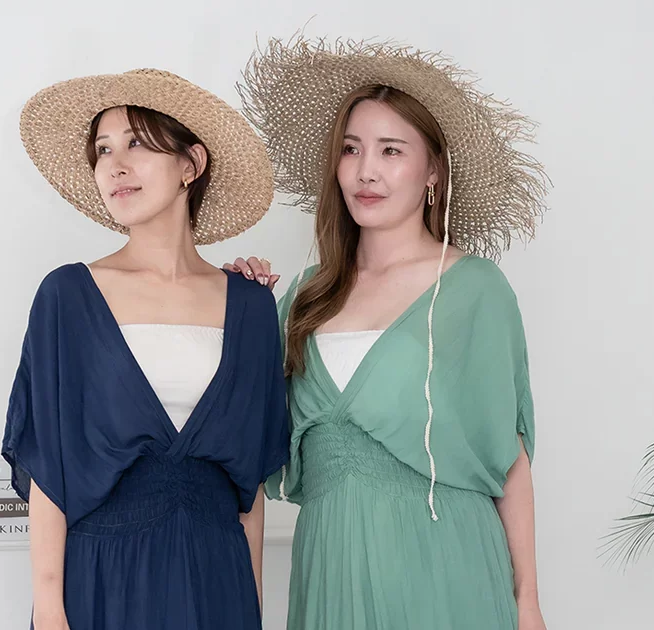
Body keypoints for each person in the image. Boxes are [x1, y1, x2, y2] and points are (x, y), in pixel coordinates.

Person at [227, 37, 550, 629]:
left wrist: (527, 602)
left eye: (391, 150)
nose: (366, 171)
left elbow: (510, 457)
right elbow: (242, 432)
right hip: (330, 565)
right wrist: (236, 308)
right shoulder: (303, 296)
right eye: (351, 149)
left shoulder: (475, 290)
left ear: (433, 172)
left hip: (445, 561)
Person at [2, 68, 289, 630]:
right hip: (101, 581)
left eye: (136, 143)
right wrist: (50, 610)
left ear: (191, 164)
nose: (115, 165)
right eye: (103, 150)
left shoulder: (252, 306)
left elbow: (250, 491)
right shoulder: (68, 296)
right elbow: (47, 470)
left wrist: (251, 608)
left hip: (217, 581)